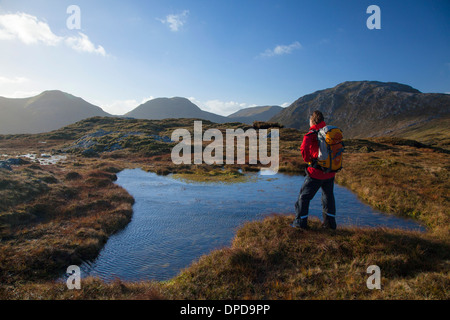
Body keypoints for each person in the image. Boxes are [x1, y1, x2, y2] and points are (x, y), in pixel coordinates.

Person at [292, 110, 337, 230]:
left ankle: (300, 223)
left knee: (304, 197)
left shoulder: (311, 133)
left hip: (316, 172)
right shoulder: (330, 132)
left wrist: (309, 161)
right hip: (330, 172)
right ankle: (330, 225)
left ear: (312, 120)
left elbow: (304, 149)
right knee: (328, 197)